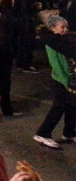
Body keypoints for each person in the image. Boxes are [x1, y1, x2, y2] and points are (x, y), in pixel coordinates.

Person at [33, 15, 76, 149]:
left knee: (72, 105)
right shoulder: (52, 42)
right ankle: (43, 133)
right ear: (53, 28)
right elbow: (56, 64)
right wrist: (66, 80)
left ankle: (69, 132)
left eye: (66, 27)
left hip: (68, 78)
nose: (65, 29)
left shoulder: (60, 40)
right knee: (59, 106)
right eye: (62, 27)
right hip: (61, 79)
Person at [13, 0, 40, 73]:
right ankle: (26, 65)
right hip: (26, 24)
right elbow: (27, 11)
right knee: (28, 44)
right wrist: (36, 7)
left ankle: (20, 63)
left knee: (21, 43)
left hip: (21, 24)